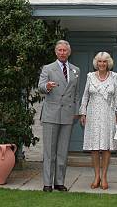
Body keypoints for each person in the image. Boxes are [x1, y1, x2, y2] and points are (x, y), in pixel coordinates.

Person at [38, 40, 80, 192]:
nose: (62, 53)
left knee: (63, 151)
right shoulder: (48, 68)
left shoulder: (76, 70)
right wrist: (46, 86)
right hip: (51, 114)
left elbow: (76, 94)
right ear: (56, 52)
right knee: (50, 151)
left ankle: (59, 182)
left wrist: (76, 112)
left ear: (69, 52)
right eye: (60, 50)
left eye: (65, 50)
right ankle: (47, 183)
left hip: (67, 115)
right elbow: (40, 87)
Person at [79, 52, 117, 190]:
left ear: (108, 63)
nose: (102, 64)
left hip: (108, 114)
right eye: (99, 61)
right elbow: (85, 96)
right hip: (92, 115)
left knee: (106, 147)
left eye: (104, 61)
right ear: (96, 63)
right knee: (95, 148)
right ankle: (96, 176)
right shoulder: (90, 77)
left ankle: (104, 177)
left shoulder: (114, 76)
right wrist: (82, 113)